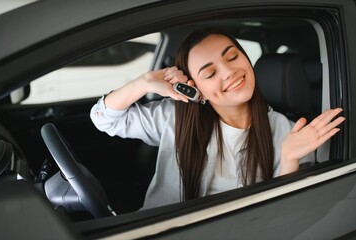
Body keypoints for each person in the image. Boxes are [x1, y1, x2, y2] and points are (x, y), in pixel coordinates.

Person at [90, 28, 345, 209]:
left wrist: (289, 159)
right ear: (196, 87)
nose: (229, 72)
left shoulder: (288, 133)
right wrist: (143, 83)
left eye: (232, 56)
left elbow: (284, 214)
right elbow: (104, 120)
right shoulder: (175, 118)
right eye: (210, 73)